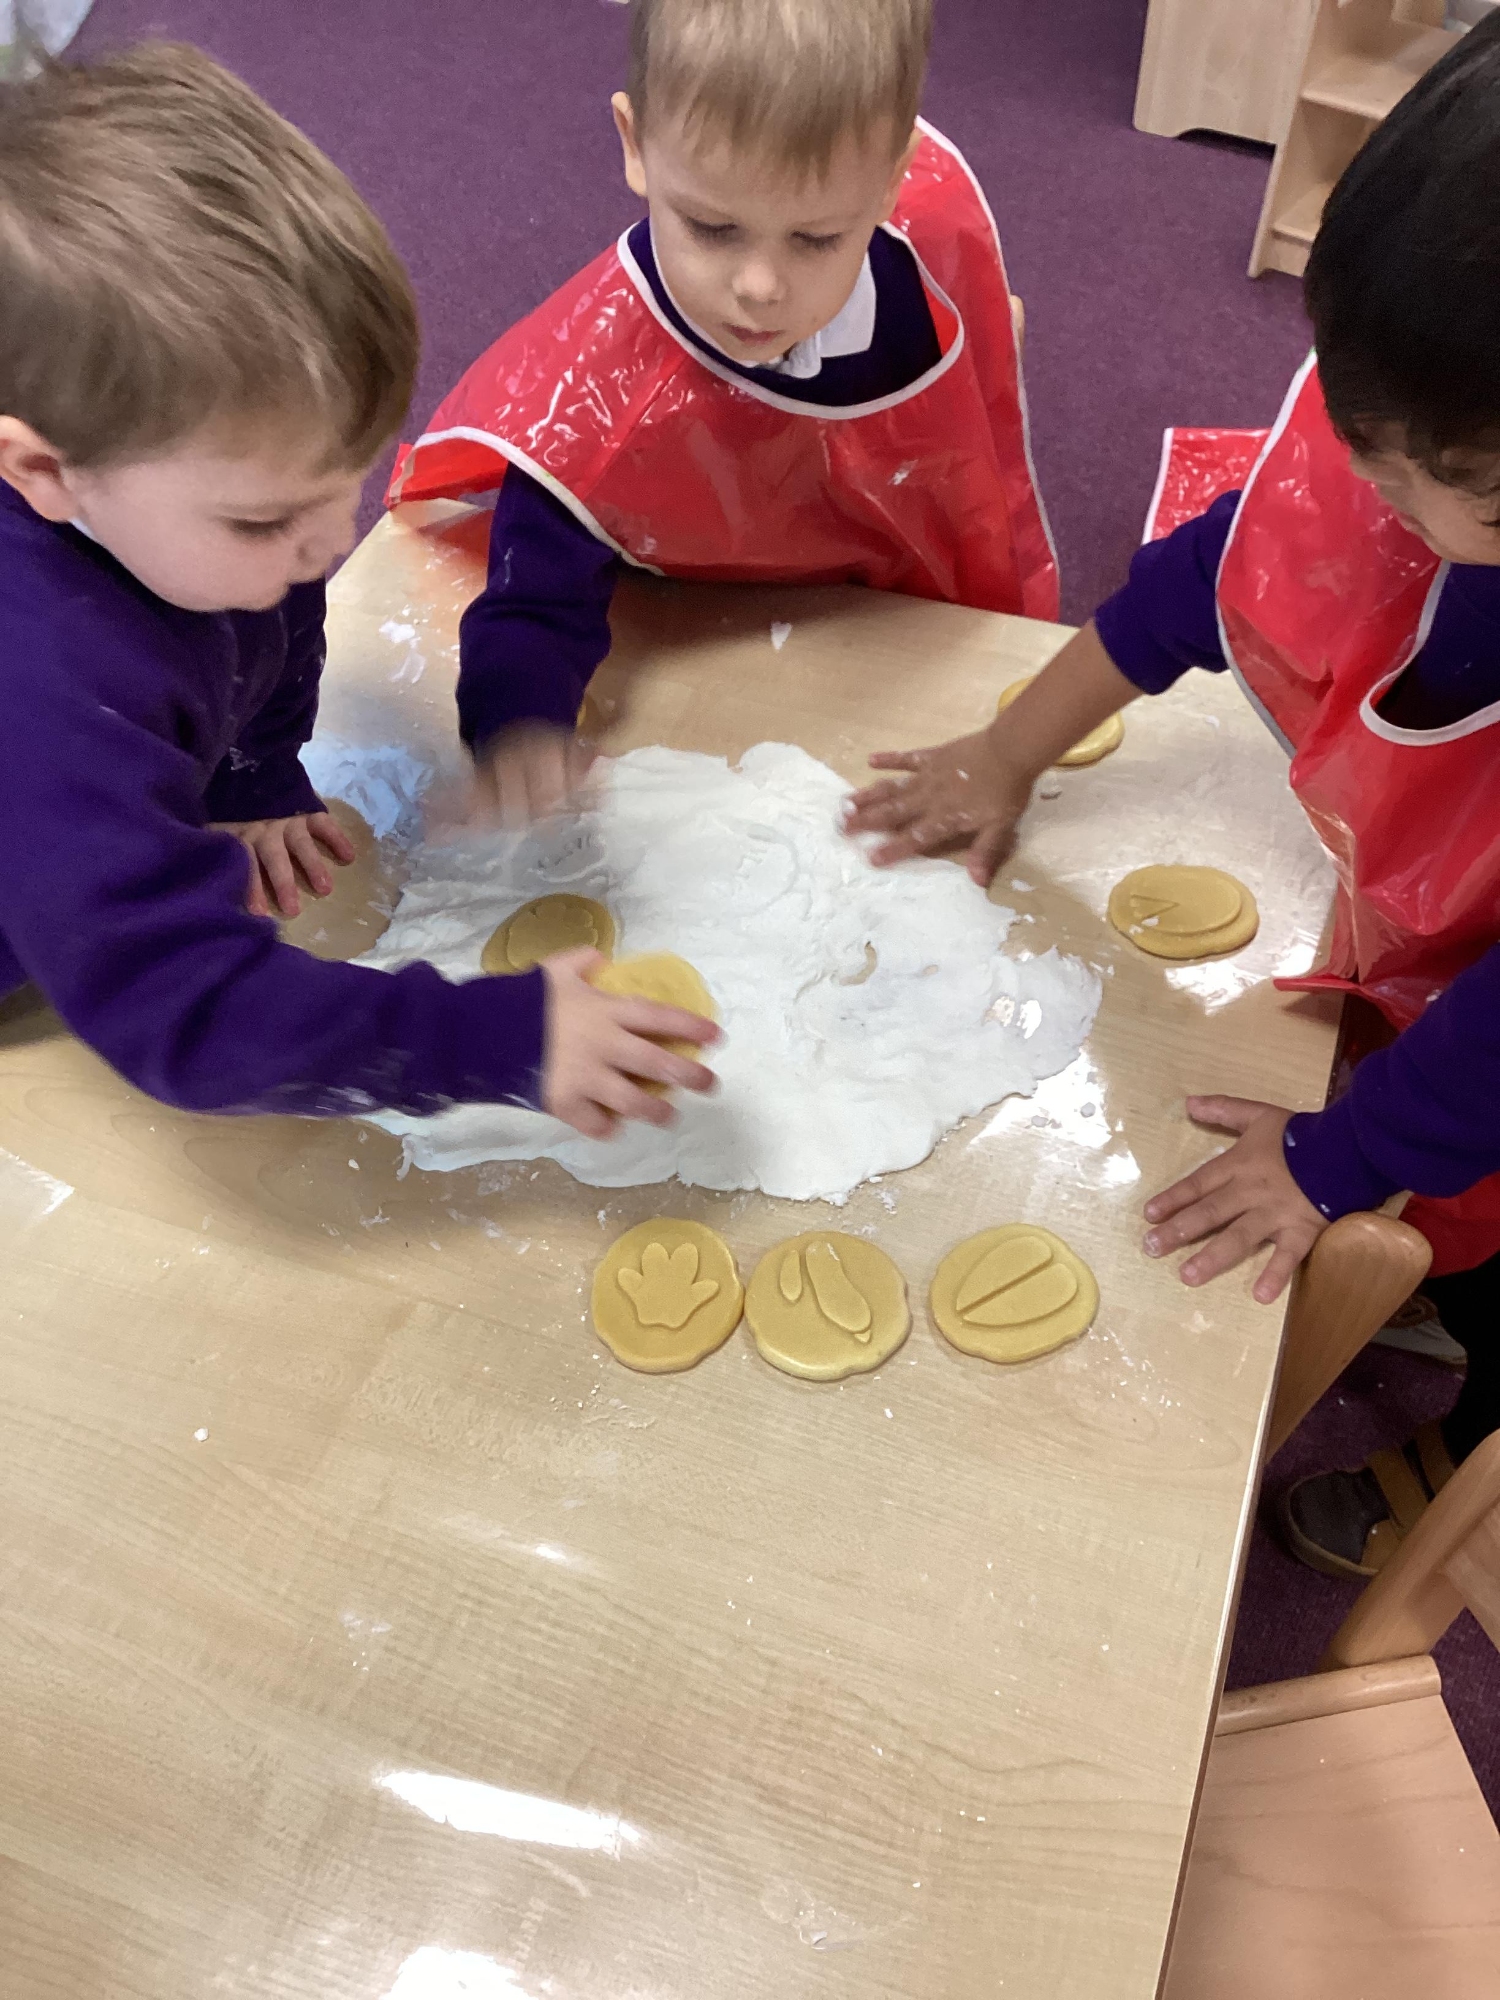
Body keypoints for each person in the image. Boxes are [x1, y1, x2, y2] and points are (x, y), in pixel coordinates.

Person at [845, 15, 1500, 1580]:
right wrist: (1012, 747)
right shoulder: (1428, 443)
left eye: (1436, 484)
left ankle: (1466, 1453)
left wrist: (1340, 1162)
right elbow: (1223, 573)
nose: (1377, 494)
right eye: (1367, 447)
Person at [0, 42, 718, 1140]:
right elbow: (184, 1011)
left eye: (349, 479)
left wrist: (250, 774)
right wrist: (495, 1042)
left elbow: (269, 629)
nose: (332, 540)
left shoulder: (205, 511)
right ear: (44, 472)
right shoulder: (46, 704)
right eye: (264, 521)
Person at [388, 0, 1056, 824]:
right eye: (712, 227)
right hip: (700, 625)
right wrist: (519, 723)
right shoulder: (601, 384)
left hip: (885, 638)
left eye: (815, 239)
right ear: (636, 147)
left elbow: (967, 472)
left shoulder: (923, 281)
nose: (760, 287)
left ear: (892, 182)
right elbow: (533, 594)